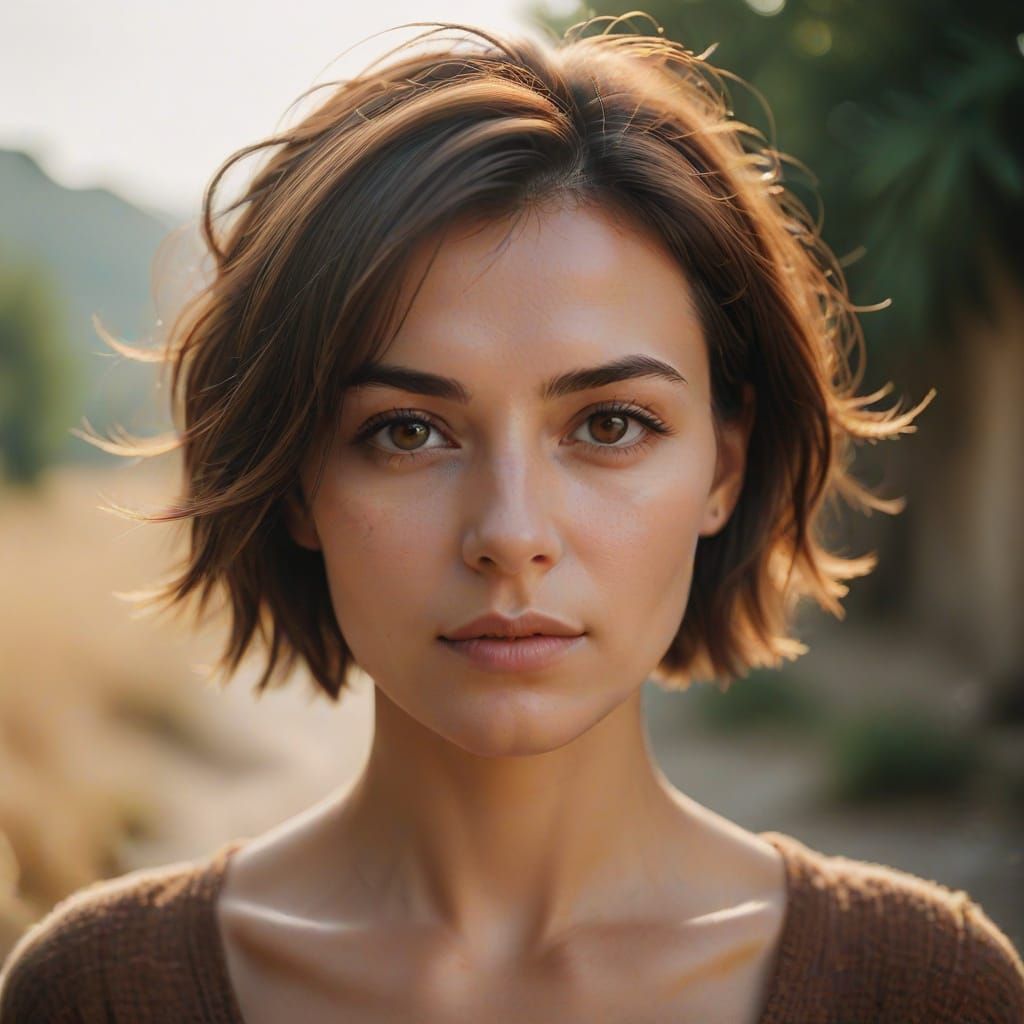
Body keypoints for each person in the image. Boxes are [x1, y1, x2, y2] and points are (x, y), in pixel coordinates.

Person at [2, 14, 1022, 1024]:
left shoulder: (927, 992)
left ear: (725, 464)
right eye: (407, 432)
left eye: (610, 424)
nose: (511, 531)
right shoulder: (97, 993)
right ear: (299, 481)